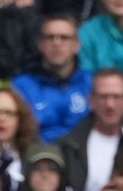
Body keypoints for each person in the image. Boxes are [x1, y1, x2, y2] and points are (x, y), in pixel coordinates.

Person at [11, 14, 91, 144]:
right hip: (38, 154)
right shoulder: (21, 86)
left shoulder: (90, 83)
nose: (56, 43)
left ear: (76, 45)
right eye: (50, 37)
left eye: (64, 38)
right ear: (41, 44)